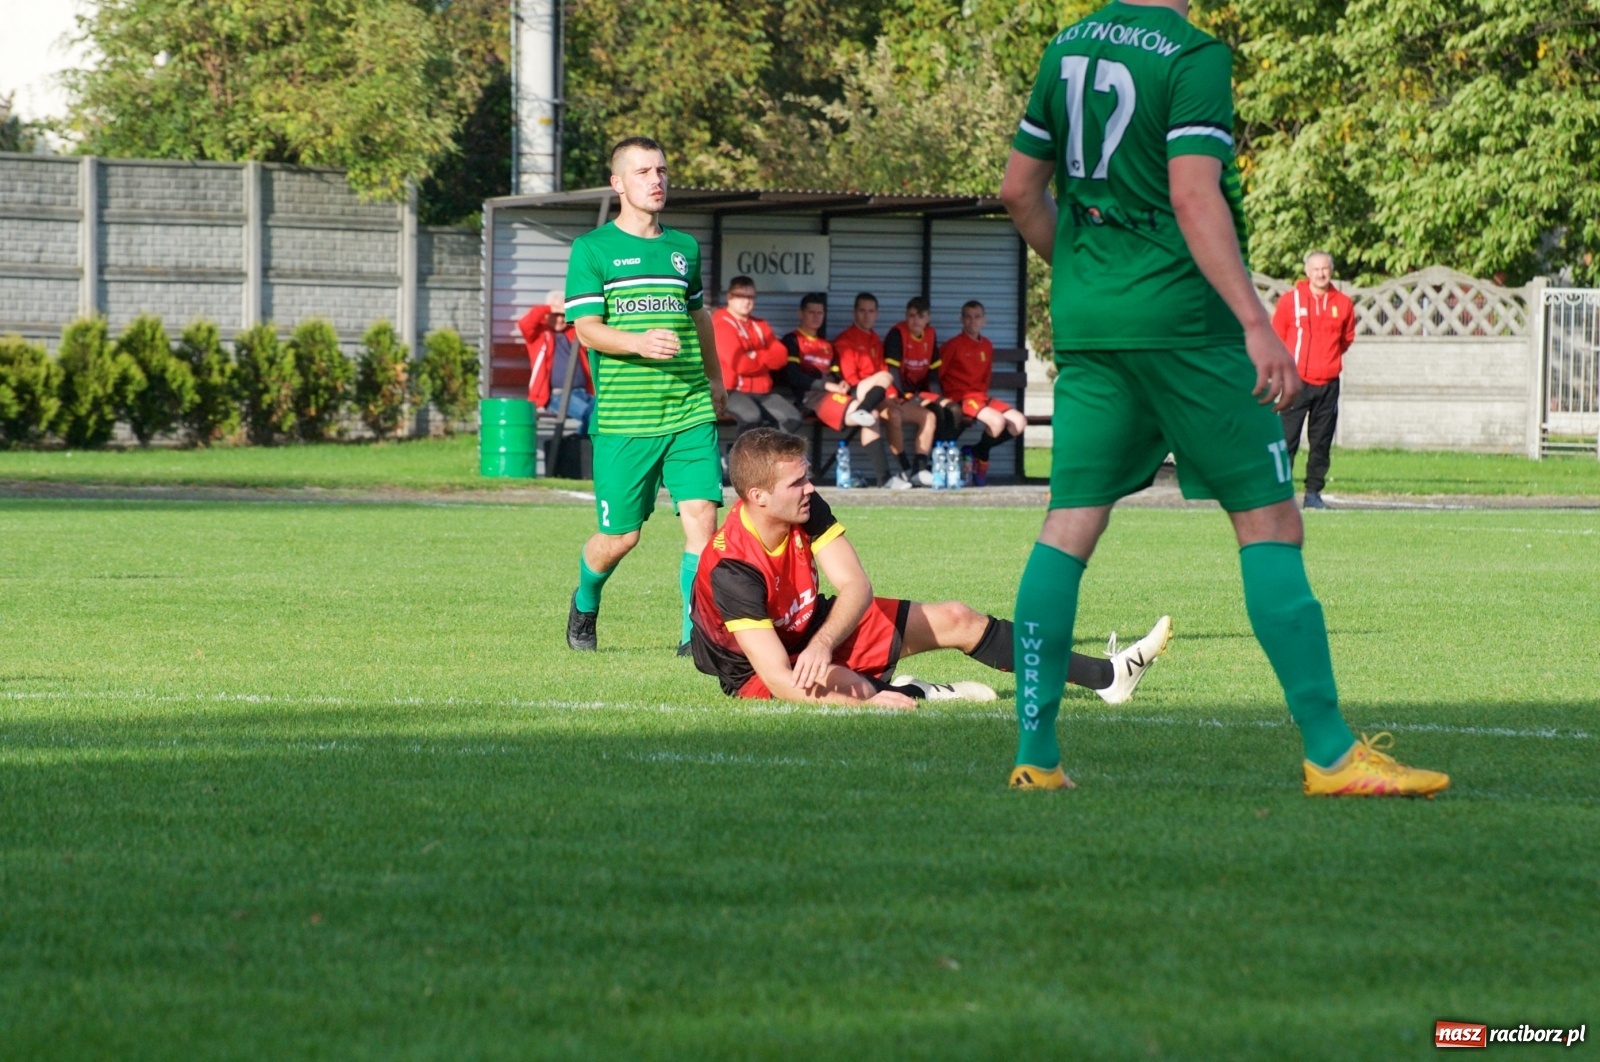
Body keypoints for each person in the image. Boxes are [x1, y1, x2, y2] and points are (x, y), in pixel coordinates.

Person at [1000, 0, 1447, 795]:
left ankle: (1036, 758)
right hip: (1186, 325)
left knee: (1068, 522)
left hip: (1092, 325)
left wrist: (1085, 279)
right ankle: (1332, 756)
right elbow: (1192, 195)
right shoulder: (1191, 53)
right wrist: (1254, 321)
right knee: (1269, 519)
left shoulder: (1065, 45)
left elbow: (1019, 192)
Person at [690, 428, 1172, 706]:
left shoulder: (803, 508)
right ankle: (906, 692)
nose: (810, 488)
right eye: (797, 483)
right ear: (757, 498)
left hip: (807, 632)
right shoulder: (733, 565)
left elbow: (855, 585)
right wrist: (864, 702)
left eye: (806, 477)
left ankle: (1107, 677)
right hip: (759, 670)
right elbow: (776, 679)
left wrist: (822, 641)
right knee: (860, 694)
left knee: (958, 617)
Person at [563, 135, 729, 657]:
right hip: (625, 419)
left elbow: (699, 315)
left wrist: (716, 378)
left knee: (703, 520)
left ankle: (692, 636)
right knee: (620, 539)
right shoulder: (592, 250)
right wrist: (637, 342)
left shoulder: (684, 247)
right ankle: (585, 602)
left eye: (661, 170)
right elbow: (587, 329)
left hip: (688, 408)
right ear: (618, 184)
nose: (656, 180)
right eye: (643, 172)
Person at [1272, 250, 1355, 510]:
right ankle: (1278, 496)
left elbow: (1346, 340)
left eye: (1325, 269)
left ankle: (1313, 494)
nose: (1321, 274)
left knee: (1321, 442)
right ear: (1307, 272)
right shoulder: (1290, 301)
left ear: (1331, 271)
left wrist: (1327, 363)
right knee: (1286, 440)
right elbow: (1278, 335)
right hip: (1296, 383)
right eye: (1316, 269)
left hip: (1328, 384)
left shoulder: (1342, 304)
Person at [939, 300, 1028, 485]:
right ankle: (983, 459)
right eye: (968, 317)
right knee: (997, 422)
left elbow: (986, 376)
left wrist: (984, 399)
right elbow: (939, 374)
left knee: (1018, 422)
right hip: (961, 398)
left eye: (977, 317)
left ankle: (975, 451)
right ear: (961, 320)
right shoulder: (952, 345)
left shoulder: (986, 345)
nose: (973, 321)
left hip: (981, 397)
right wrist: (947, 401)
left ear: (984, 320)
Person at [834, 292, 912, 489]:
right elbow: (851, 378)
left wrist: (892, 394)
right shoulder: (846, 338)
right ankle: (862, 409)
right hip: (855, 392)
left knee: (892, 414)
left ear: (877, 314)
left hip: (874, 394)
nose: (866, 315)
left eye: (870, 311)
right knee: (887, 377)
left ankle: (901, 473)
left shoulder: (876, 339)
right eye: (862, 310)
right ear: (854, 312)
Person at [712, 275, 803, 436]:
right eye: (741, 296)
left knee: (792, 417)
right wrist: (765, 358)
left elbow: (781, 356)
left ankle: (769, 456)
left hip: (762, 391)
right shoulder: (721, 323)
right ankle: (744, 459)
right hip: (730, 391)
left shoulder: (760, 324)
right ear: (729, 297)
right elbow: (740, 364)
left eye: (750, 297)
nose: (746, 301)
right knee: (752, 417)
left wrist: (755, 355)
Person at [778, 292, 873, 435]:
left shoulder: (827, 344)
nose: (816, 317)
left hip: (832, 396)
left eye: (820, 313)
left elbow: (834, 373)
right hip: (810, 399)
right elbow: (793, 376)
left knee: (869, 415)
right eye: (811, 312)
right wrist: (827, 385)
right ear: (800, 314)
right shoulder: (792, 340)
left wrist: (841, 382)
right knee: (865, 417)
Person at [883, 296, 943, 485]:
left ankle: (921, 468)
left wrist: (934, 397)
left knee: (933, 415)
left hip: (913, 395)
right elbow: (892, 372)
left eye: (920, 316)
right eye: (911, 315)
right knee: (895, 416)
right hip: (892, 393)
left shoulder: (931, 335)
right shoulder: (896, 334)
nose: (915, 320)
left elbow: (933, 374)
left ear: (928, 318)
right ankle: (905, 469)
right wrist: (906, 396)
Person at [522, 288, 593, 432]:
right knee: (591, 415)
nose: (560, 319)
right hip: (557, 396)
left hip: (583, 392)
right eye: (555, 315)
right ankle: (581, 445)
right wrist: (551, 307)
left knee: (603, 413)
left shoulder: (573, 333)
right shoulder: (539, 335)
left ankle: (580, 443)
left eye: (563, 315)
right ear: (547, 314)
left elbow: (589, 326)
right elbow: (526, 323)